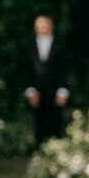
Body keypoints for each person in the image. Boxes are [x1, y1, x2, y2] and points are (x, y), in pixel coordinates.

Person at [24, 16, 69, 144]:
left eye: (45, 24)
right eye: (39, 25)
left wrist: (63, 91)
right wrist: (30, 91)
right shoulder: (30, 46)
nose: (42, 27)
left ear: (51, 26)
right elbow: (26, 70)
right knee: (38, 122)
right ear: (35, 28)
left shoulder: (60, 45)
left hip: (55, 91)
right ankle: (38, 151)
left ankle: (55, 151)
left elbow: (64, 69)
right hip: (36, 91)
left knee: (55, 121)